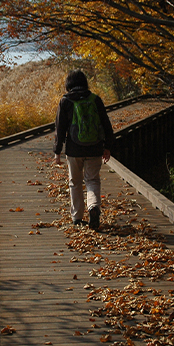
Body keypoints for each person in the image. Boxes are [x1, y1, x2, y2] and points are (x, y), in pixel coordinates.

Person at [53, 69, 114, 230]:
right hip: (94, 148)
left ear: (69, 84)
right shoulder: (95, 99)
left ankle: (77, 218)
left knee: (75, 182)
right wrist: (107, 146)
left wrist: (57, 151)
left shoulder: (65, 101)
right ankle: (93, 206)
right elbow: (106, 124)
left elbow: (60, 129)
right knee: (92, 180)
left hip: (74, 150)